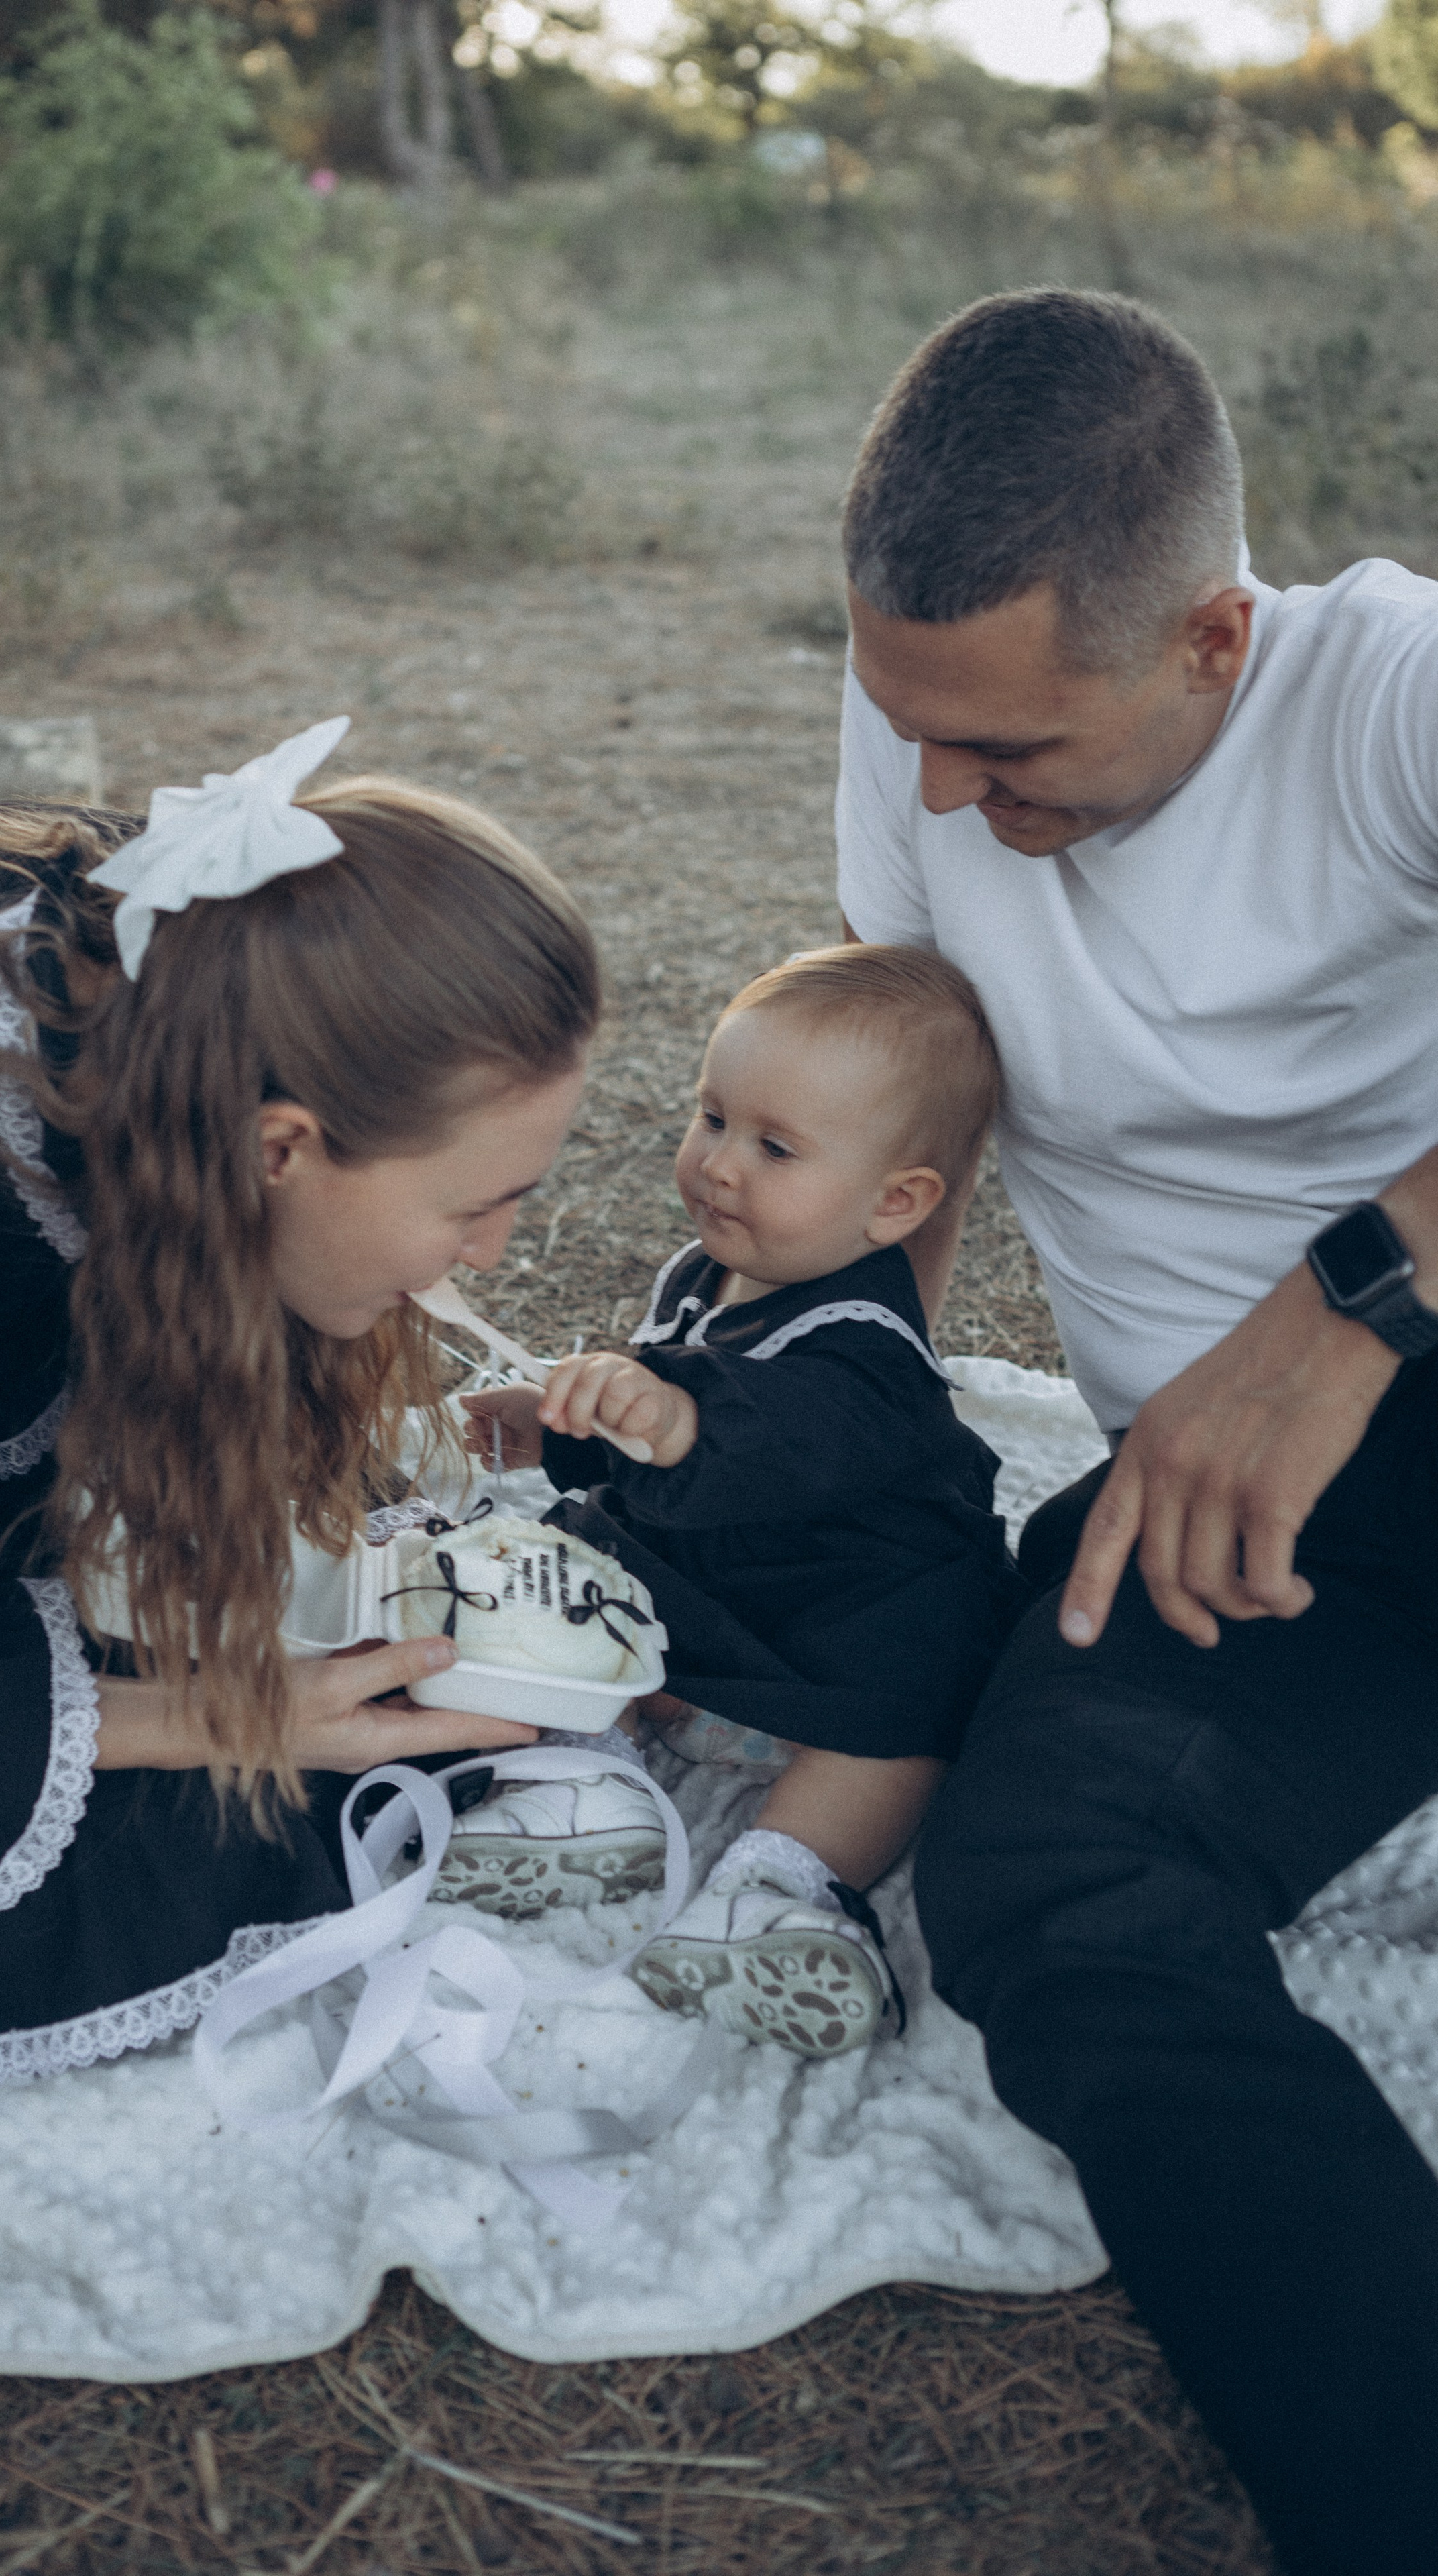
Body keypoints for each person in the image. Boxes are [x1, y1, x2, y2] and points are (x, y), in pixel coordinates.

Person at [834, 287, 1438, 2576]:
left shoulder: (1391, 692)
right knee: (1042, 1891)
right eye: (913, 727)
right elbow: (906, 1132)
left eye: (1009, 753)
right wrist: (819, 1461)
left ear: (1212, 638)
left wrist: (1349, 1309)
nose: (941, 800)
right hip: (1243, 1531)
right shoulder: (924, 721)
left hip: (1399, 1370)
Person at [0, 719, 609, 2117]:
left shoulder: (191, 951)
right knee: (240, 1826)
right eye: (471, 1207)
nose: (490, 1257)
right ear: (279, 1149)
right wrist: (203, 1717)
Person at [449, 944, 1023, 2058]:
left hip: (843, 1609)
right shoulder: (704, 1270)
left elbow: (781, 1439)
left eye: (775, 1147)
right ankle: (592, 1791)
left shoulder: (867, 1342)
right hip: (709, 1586)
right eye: (713, 1117)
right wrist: (563, 1424)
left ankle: (779, 1888)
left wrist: (676, 1421)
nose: (719, 1164)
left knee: (914, 1713)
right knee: (567, 1580)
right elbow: (655, 1413)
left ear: (896, 1203)